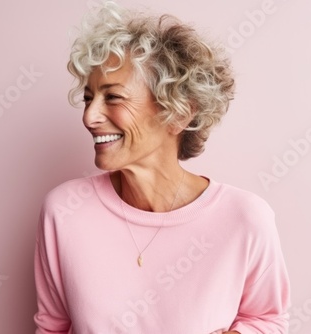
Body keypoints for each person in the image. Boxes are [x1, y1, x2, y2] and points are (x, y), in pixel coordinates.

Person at [34, 1, 290, 333]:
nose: (89, 117)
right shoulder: (64, 211)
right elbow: (52, 327)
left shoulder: (246, 218)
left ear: (179, 113)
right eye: (88, 98)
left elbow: (268, 318)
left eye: (112, 97)